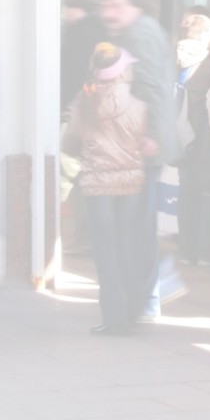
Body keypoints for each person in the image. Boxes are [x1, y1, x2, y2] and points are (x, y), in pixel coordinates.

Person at [95, 0, 175, 311]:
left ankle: (143, 300)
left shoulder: (137, 34)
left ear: (133, 6)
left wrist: (151, 135)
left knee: (132, 227)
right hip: (139, 143)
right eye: (106, 7)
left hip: (139, 145)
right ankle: (147, 298)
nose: (110, 14)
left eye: (117, 6)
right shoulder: (144, 28)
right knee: (138, 225)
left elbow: (152, 86)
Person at [63, 41, 152, 336]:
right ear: (122, 71)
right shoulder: (140, 103)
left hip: (98, 185)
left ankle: (113, 317)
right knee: (129, 244)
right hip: (131, 184)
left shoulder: (85, 101)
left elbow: (70, 144)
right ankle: (134, 309)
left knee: (105, 250)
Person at [176, 13, 210, 265]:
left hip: (180, 135)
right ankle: (206, 250)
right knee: (209, 193)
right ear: (206, 35)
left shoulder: (171, 59)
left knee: (187, 193)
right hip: (205, 135)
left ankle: (187, 251)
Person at [61, 0, 106, 115]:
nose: (65, 13)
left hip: (78, 103)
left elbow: (74, 73)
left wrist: (60, 102)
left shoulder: (80, 33)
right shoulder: (99, 28)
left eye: (67, 7)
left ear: (78, 8)